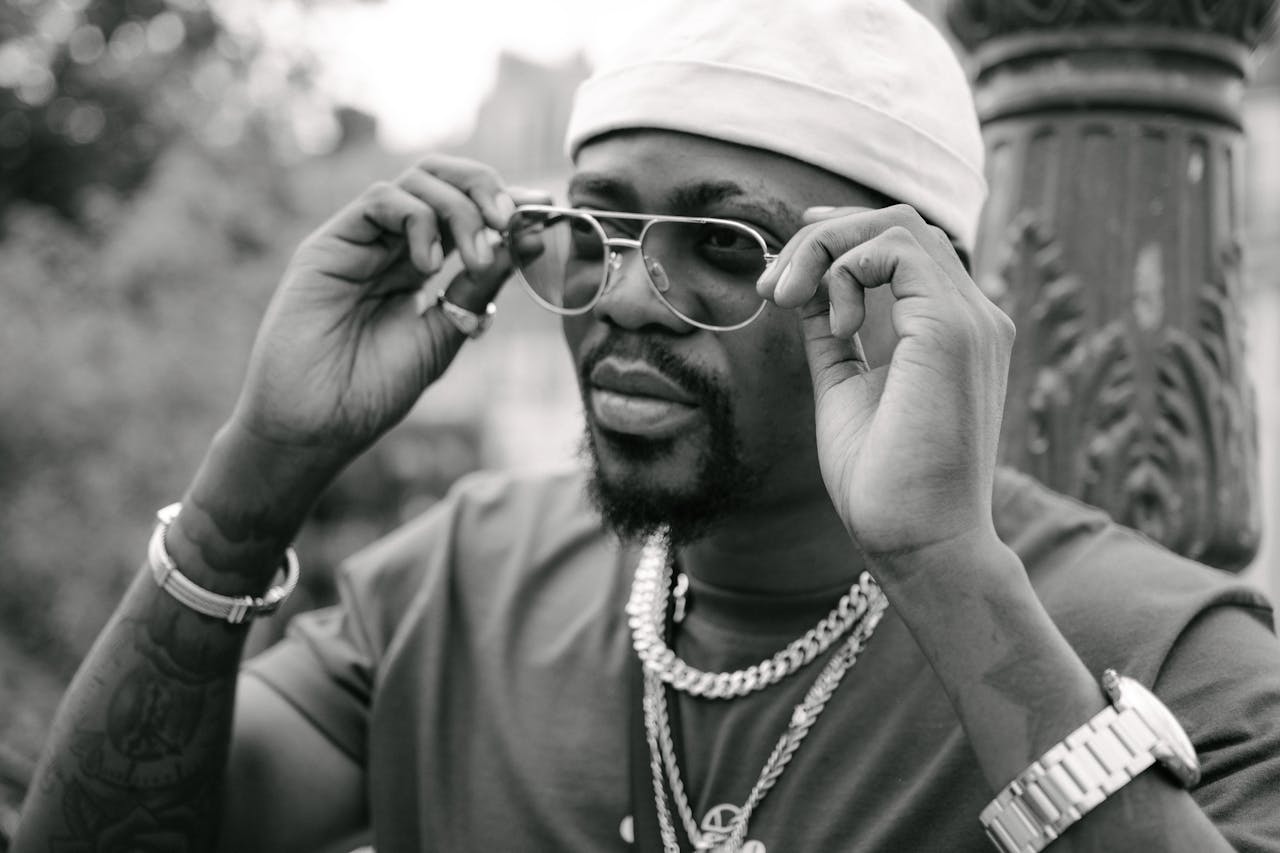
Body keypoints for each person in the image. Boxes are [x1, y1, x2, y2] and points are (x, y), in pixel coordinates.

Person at [13, 2, 1280, 852]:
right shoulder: (453, 583)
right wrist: (255, 478)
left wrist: (945, 573)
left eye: (722, 246)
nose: (622, 294)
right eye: (596, 227)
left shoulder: (1169, 651)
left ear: (909, 296)